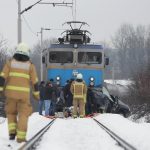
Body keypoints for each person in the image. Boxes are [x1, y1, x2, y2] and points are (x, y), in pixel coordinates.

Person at [0, 43, 39, 143]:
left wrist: (0, 89)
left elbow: (2, 77)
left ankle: (12, 133)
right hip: (24, 96)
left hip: (10, 94)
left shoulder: (10, 63)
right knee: (23, 115)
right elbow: (35, 82)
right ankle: (21, 137)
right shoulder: (30, 65)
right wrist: (36, 94)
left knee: (11, 113)